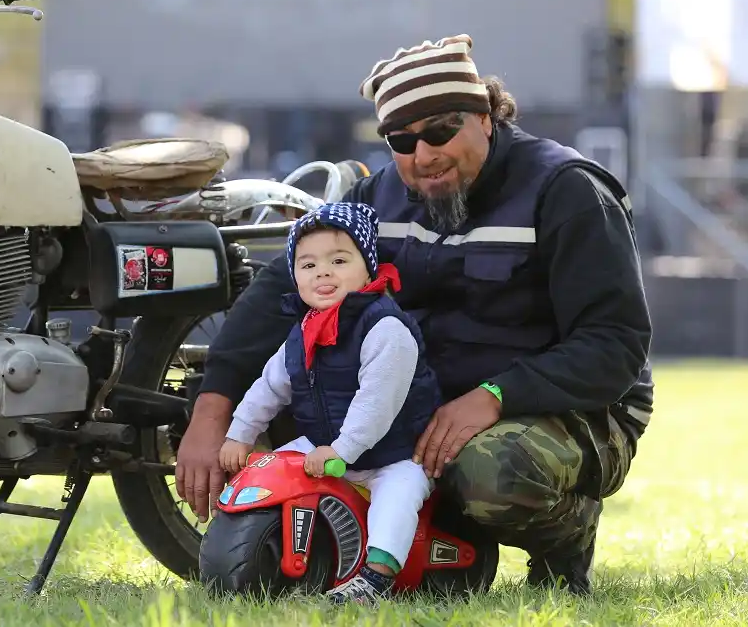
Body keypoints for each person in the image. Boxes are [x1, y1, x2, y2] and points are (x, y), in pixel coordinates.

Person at [179, 34, 653, 595]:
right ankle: (374, 554)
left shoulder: (567, 190)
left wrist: (492, 398)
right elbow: (279, 293)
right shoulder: (373, 199)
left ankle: (567, 534)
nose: (423, 154)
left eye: (440, 130)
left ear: (485, 114)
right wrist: (213, 413)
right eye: (401, 139)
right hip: (419, 404)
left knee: (487, 474)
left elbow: (614, 346)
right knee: (292, 415)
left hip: (567, 409)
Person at [219, 201, 442, 602]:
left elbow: (377, 403)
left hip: (394, 451)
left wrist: (342, 449)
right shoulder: (304, 330)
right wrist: (241, 434)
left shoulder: (386, 328)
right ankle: (253, 544)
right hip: (326, 443)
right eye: (308, 266)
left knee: (399, 494)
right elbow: (270, 385)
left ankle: (375, 579)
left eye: (339, 260)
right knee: (274, 469)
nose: (323, 271)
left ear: (367, 267)